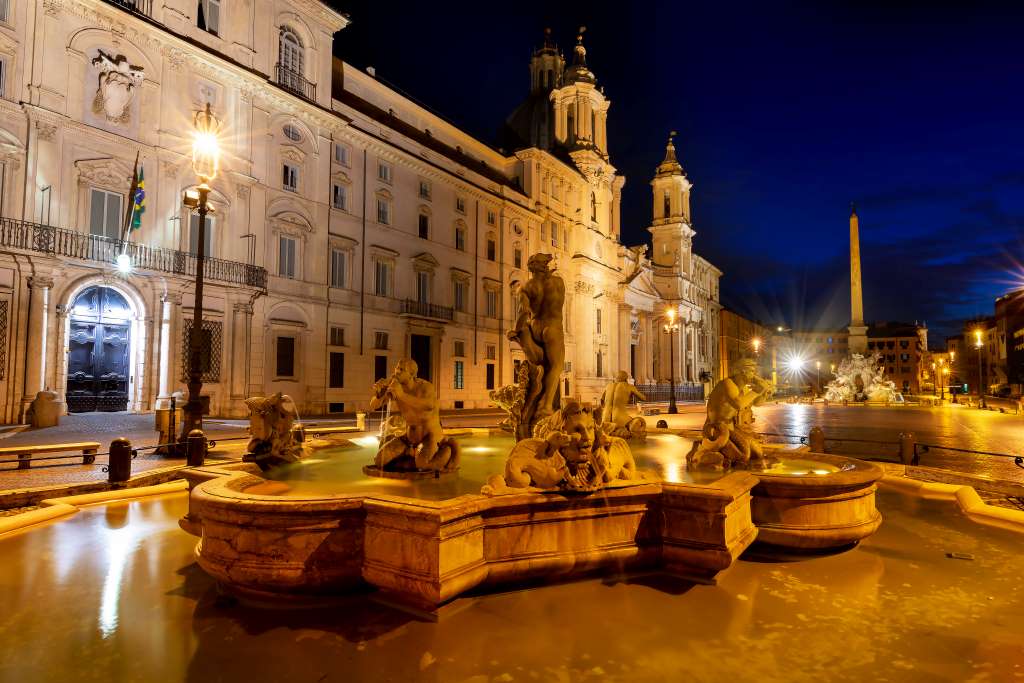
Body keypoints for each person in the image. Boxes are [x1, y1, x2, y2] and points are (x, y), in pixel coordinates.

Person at [507, 253, 565, 428]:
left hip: (535, 326)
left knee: (540, 364)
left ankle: (524, 338)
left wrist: (516, 330)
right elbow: (559, 303)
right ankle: (546, 406)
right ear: (544, 265)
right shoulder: (558, 282)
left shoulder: (526, 287)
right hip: (553, 327)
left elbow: (523, 312)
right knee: (556, 366)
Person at [369, 358, 454, 471]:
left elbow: (429, 405)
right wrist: (379, 394)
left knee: (422, 465)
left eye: (401, 369)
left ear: (411, 374)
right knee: (380, 461)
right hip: (408, 438)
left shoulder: (425, 387)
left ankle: (447, 450)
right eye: (397, 368)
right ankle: (409, 455)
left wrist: (402, 395)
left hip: (429, 436)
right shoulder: (395, 386)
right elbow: (374, 405)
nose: (397, 371)